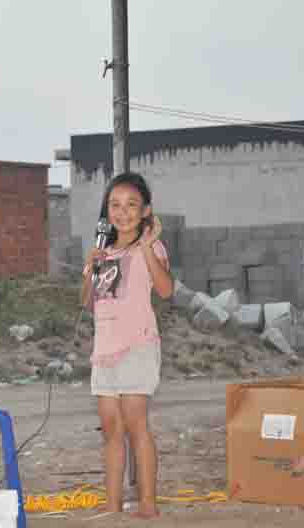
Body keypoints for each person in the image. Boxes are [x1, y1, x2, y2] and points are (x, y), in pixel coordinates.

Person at [80, 172, 173, 519]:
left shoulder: (151, 248)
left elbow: (165, 290)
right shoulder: (102, 252)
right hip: (104, 351)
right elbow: (87, 302)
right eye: (115, 205)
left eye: (131, 205)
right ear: (107, 211)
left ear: (145, 210)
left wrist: (147, 246)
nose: (123, 212)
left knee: (136, 425)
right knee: (111, 430)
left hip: (137, 346)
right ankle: (113, 504)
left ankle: (148, 504)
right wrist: (91, 268)